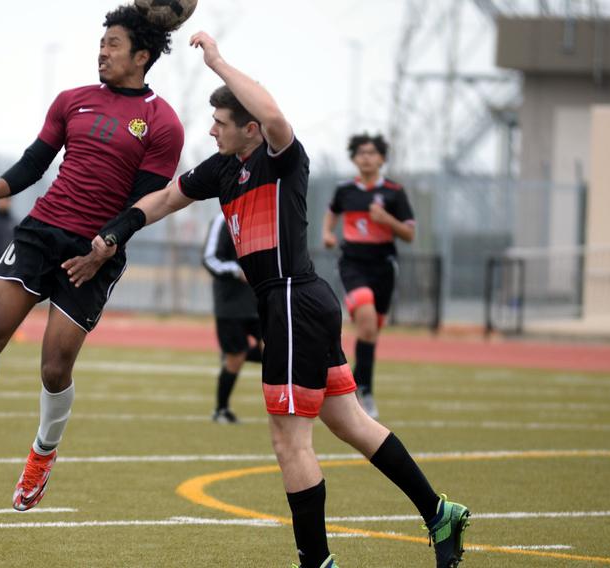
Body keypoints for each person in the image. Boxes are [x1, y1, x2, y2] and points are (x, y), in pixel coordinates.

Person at [64, 32, 469, 568]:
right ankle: (439, 512)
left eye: (221, 123)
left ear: (249, 128)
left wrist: (218, 62)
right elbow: (163, 198)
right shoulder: (222, 169)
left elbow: (274, 114)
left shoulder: (281, 157)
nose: (210, 129)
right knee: (349, 422)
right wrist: (115, 231)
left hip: (293, 304)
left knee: (289, 443)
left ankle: (317, 562)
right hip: (295, 305)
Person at [0, 5, 184, 513]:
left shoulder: (163, 123)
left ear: (142, 55)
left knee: (54, 367)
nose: (102, 51)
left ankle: (42, 456)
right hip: (41, 232)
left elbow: (146, 202)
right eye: (102, 42)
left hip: (96, 251)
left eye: (113, 44)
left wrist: (103, 249)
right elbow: (34, 163)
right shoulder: (73, 100)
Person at [322, 134, 415, 419]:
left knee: (370, 332)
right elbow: (332, 213)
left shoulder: (394, 192)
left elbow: (410, 234)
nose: (366, 157)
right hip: (353, 263)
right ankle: (366, 392)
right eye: (361, 153)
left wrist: (386, 220)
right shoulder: (345, 190)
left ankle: (355, 383)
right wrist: (327, 233)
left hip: (383, 266)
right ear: (353, 158)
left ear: (382, 159)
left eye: (372, 153)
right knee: (364, 316)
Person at [202, 213, 262, 423]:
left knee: (279, 349)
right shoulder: (222, 219)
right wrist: (238, 271)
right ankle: (221, 410)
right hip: (231, 305)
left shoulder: (264, 217)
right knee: (235, 358)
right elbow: (210, 259)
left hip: (262, 301)